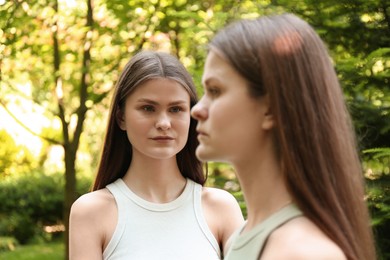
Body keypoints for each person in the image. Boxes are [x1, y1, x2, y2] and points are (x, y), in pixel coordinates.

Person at [191, 13, 376, 260]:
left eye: (215, 91)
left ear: (270, 108)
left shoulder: (304, 252)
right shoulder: (242, 237)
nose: (197, 109)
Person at [69, 50, 244, 260]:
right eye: (148, 108)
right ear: (121, 117)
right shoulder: (91, 212)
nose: (163, 123)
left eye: (176, 109)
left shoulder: (221, 208)